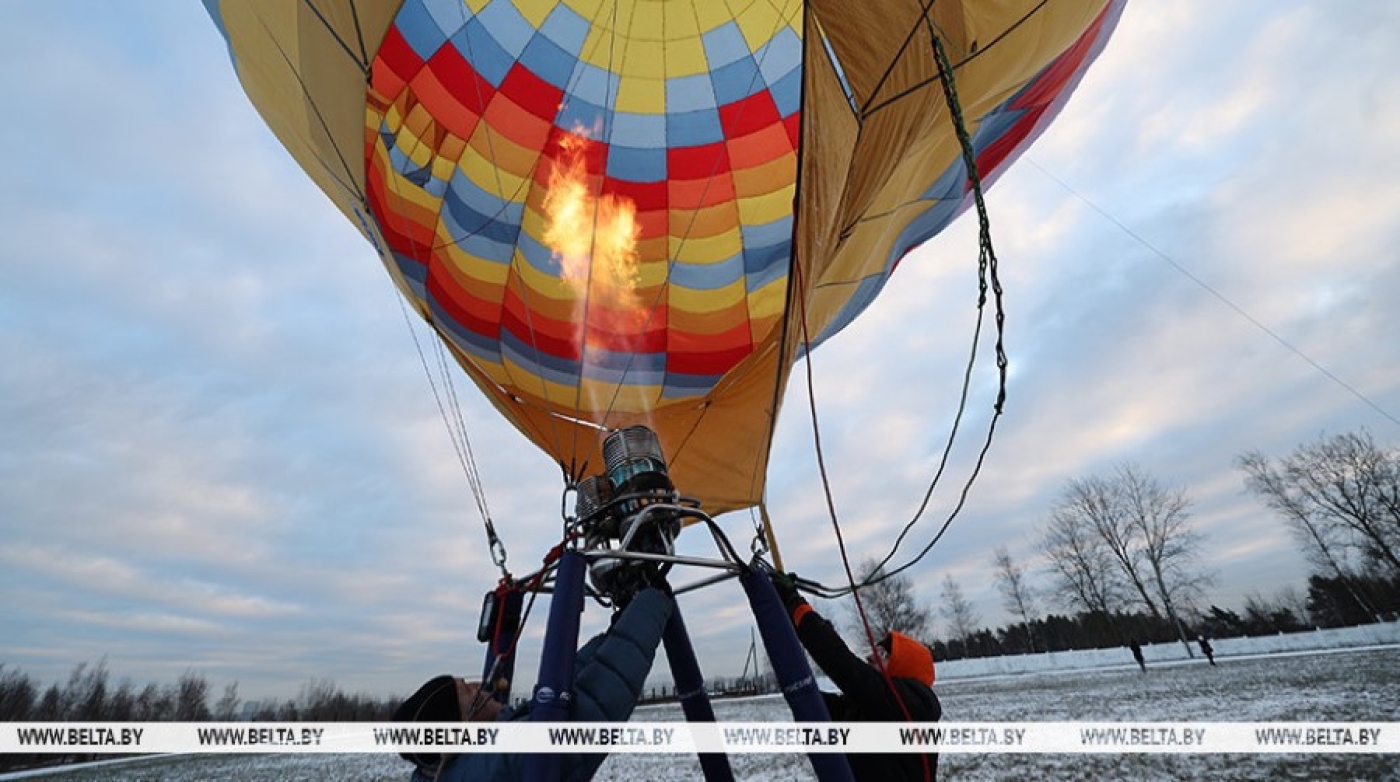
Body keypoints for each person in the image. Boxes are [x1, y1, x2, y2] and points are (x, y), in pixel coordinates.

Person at [394, 583, 674, 781]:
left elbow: (563, 685)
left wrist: (616, 630)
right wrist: (652, 602)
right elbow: (597, 700)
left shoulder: (444, 769)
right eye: (467, 691)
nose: (480, 684)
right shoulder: (504, 762)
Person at [771, 572, 941, 781]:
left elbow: (842, 664)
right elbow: (810, 697)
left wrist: (795, 603)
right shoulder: (870, 710)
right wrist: (787, 621)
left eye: (885, 655)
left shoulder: (915, 704)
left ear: (905, 667)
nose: (870, 657)